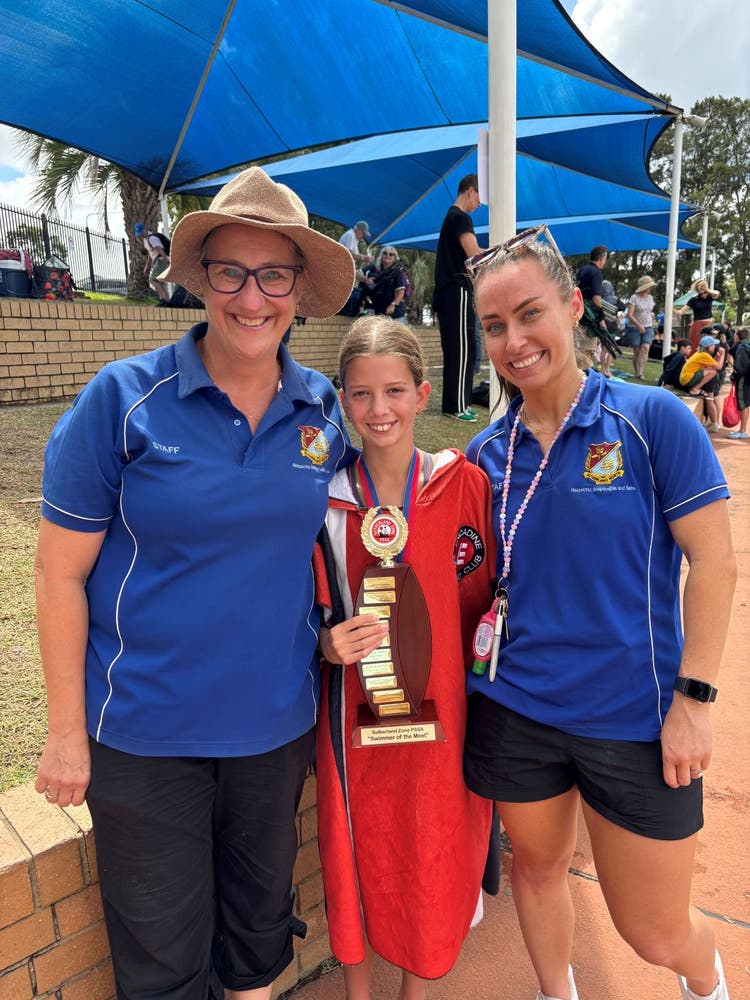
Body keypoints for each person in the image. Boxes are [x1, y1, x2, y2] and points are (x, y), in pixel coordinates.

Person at [34, 167, 357, 1000]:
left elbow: (369, 522)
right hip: (144, 735)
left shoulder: (322, 411)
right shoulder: (124, 401)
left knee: (256, 939)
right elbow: (58, 573)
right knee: (164, 960)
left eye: (273, 275)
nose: (252, 299)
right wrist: (66, 734)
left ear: (298, 287)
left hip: (274, 730)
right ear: (203, 279)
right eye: (231, 273)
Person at [462, 225, 735, 1000]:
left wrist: (695, 700)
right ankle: (558, 994)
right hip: (515, 709)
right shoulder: (487, 455)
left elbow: (714, 564)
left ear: (574, 306)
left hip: (635, 719)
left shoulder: (654, 423)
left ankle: (706, 980)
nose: (514, 341)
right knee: (539, 872)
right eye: (494, 326)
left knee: (654, 932)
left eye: (529, 314)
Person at [315, 316, 496, 999]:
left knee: (432, 850)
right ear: (343, 400)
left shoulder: (464, 488)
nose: (378, 409)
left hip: (442, 714)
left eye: (394, 391)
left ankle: (414, 992)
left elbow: (480, 607)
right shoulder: (327, 502)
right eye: (360, 395)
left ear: (423, 395)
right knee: (352, 846)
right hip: (353, 719)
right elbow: (302, 611)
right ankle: (359, 990)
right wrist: (326, 643)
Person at [433, 173, 482, 422]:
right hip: (457, 288)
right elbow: (474, 254)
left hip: (447, 290)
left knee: (457, 347)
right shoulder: (461, 217)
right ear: (471, 191)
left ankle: (457, 402)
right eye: (479, 196)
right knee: (462, 348)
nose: (479, 203)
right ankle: (457, 406)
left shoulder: (449, 216)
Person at [575, 245, 613, 377]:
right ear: (602, 257)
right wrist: (600, 318)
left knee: (578, 347)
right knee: (588, 349)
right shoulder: (596, 272)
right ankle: (584, 377)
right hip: (590, 317)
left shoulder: (582, 270)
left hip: (578, 313)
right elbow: (596, 297)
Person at [678, 333, 726, 432]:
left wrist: (717, 358)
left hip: (686, 378)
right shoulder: (704, 355)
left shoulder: (701, 354)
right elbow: (718, 367)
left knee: (710, 397)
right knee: (712, 375)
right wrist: (723, 354)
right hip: (688, 378)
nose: (715, 347)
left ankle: (713, 423)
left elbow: (709, 365)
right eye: (713, 345)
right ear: (709, 346)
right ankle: (695, 389)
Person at [360, 246, 408, 321]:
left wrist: (393, 305)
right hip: (379, 312)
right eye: (385, 253)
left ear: (395, 258)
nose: (387, 255)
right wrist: (365, 279)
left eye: (391, 254)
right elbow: (356, 272)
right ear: (381, 255)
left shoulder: (397, 272)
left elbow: (401, 292)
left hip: (395, 314)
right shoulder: (375, 268)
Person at [674, 279, 720, 352]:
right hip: (697, 324)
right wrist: (673, 310)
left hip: (708, 325)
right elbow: (681, 311)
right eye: (701, 293)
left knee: (708, 346)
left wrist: (706, 289)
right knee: (694, 345)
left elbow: (717, 293)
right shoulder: (694, 299)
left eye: (704, 292)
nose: (703, 295)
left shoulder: (709, 297)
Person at [625, 275, 657, 379]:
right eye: (649, 286)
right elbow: (630, 315)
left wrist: (652, 323)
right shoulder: (634, 298)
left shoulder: (650, 298)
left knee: (645, 348)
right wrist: (638, 325)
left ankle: (640, 372)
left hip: (648, 326)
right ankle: (636, 371)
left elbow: (649, 313)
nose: (650, 289)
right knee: (637, 350)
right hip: (634, 327)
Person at [134, 221, 171, 304]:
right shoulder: (146, 240)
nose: (141, 235)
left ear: (145, 229)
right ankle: (168, 301)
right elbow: (151, 254)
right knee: (161, 282)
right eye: (139, 233)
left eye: (141, 232)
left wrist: (166, 261)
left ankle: (163, 300)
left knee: (153, 280)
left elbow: (160, 250)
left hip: (162, 260)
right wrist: (147, 265)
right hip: (160, 260)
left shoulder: (151, 238)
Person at [727, 326, 750, 439]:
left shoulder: (742, 348)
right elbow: (730, 352)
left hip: (743, 379)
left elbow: (741, 368)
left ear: (737, 336)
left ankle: (743, 431)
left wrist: (733, 376)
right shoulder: (744, 345)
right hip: (746, 379)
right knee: (744, 403)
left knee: (743, 404)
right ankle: (742, 429)